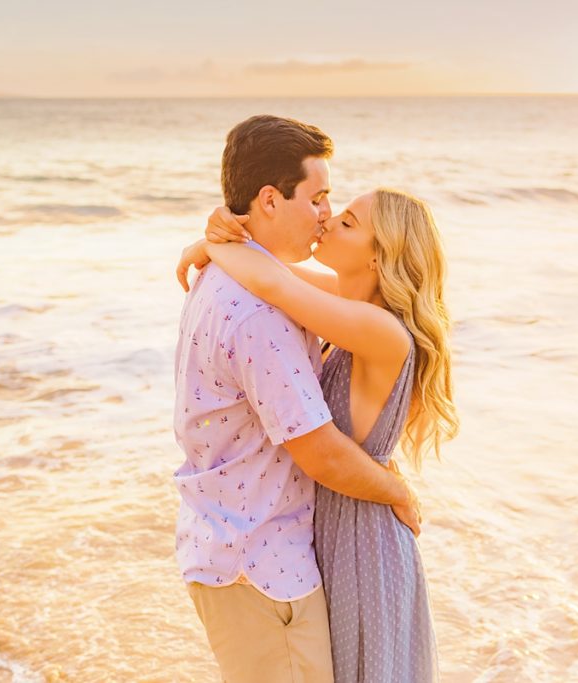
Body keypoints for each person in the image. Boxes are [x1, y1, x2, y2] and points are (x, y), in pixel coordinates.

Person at [172, 114, 422, 683]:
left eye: (341, 213)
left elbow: (277, 280)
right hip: (265, 559)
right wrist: (214, 240)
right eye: (320, 199)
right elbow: (322, 454)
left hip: (319, 541)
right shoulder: (269, 310)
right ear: (268, 199)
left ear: (380, 256)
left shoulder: (363, 320)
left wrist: (216, 241)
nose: (326, 216)